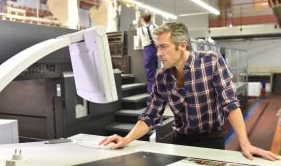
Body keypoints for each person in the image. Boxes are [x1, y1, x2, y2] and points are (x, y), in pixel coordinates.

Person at [100, 22, 280, 161]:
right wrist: (126, 140)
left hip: (211, 140)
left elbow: (230, 104)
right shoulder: (161, 77)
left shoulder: (211, 61)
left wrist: (245, 143)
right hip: (180, 141)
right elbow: (150, 115)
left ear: (182, 45)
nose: (158, 53)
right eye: (157, 47)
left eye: (164, 46)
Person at [136, 13, 158, 93]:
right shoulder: (155, 26)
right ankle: (157, 89)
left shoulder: (139, 29)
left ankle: (151, 90)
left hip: (147, 49)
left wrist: (138, 46)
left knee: (149, 70)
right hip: (155, 49)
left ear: (142, 20)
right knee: (155, 69)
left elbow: (137, 44)